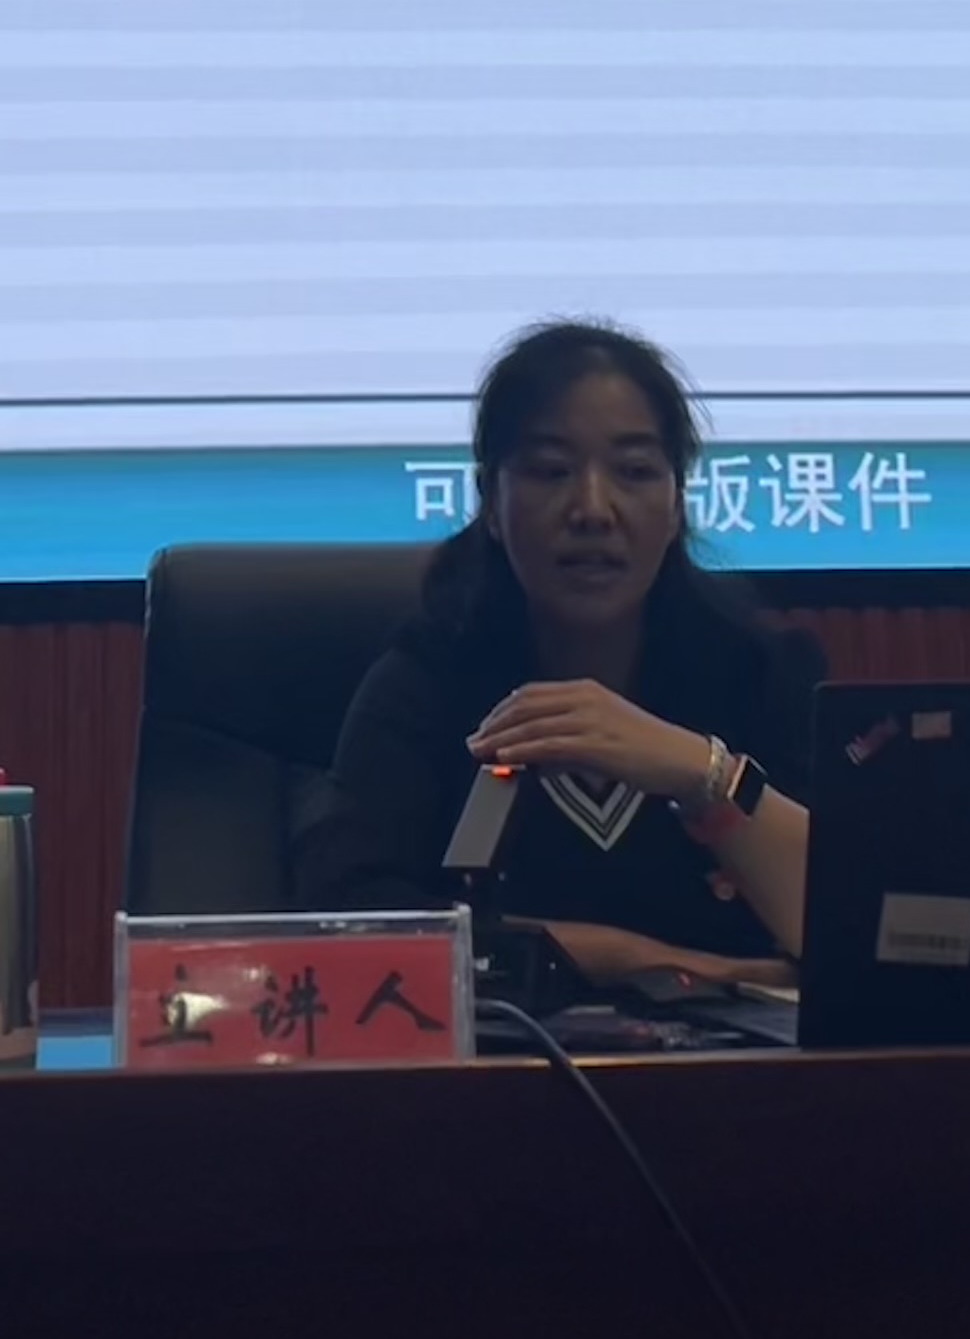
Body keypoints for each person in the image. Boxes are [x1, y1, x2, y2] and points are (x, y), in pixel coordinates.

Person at [294, 320, 819, 985]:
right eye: (550, 471)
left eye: (634, 471)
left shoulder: (758, 670)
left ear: (676, 504)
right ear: (491, 503)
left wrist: (702, 772)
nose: (594, 510)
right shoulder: (431, 681)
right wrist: (665, 964)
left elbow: (854, 926)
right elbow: (354, 923)